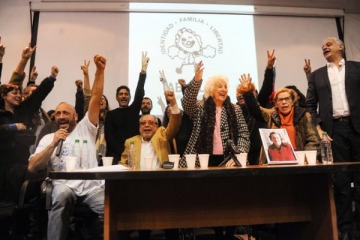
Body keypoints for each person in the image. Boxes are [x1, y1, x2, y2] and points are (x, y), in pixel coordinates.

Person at [28, 54, 107, 240]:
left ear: (76, 116)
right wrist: (54, 143)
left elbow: (95, 97)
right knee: (61, 197)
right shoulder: (48, 138)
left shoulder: (86, 128)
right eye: (57, 113)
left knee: (110, 207)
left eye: (66, 113)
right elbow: (32, 166)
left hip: (91, 187)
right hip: (63, 186)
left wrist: (100, 71)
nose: (61, 116)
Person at [180, 61, 250, 240]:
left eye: (225, 86)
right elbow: (186, 103)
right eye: (219, 86)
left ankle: (229, 232)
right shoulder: (200, 106)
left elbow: (243, 134)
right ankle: (214, 232)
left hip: (229, 159)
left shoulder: (235, 109)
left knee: (230, 199)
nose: (223, 89)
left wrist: (240, 155)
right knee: (204, 199)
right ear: (211, 89)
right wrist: (197, 79)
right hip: (200, 158)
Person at [306, 37, 360, 240]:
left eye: (329, 43)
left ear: (341, 46)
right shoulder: (316, 75)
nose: (324, 46)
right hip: (334, 132)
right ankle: (344, 230)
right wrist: (319, 128)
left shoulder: (357, 68)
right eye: (322, 46)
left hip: (358, 129)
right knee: (342, 182)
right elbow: (310, 105)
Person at [238, 76, 320, 165]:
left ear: (292, 101)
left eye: (287, 99)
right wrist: (247, 92)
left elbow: (313, 140)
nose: (284, 102)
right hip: (275, 163)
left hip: (300, 162)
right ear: (276, 103)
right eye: (280, 100)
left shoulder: (304, 116)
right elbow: (256, 110)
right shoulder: (271, 115)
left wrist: (304, 156)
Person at [105, 52, 149, 163]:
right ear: (116, 97)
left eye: (126, 94)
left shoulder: (133, 110)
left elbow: (139, 93)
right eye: (121, 94)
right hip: (115, 155)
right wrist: (122, 150)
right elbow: (109, 136)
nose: (123, 96)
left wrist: (143, 73)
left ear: (129, 97)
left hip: (133, 153)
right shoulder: (110, 115)